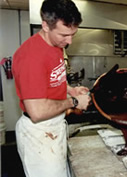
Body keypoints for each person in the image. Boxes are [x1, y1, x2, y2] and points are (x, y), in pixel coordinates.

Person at [12, 0, 91, 176]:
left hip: (54, 127)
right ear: (45, 26)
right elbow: (38, 112)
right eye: (64, 35)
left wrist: (70, 90)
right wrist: (75, 101)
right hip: (39, 134)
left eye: (73, 34)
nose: (69, 40)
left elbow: (53, 78)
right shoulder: (31, 57)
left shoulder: (55, 45)